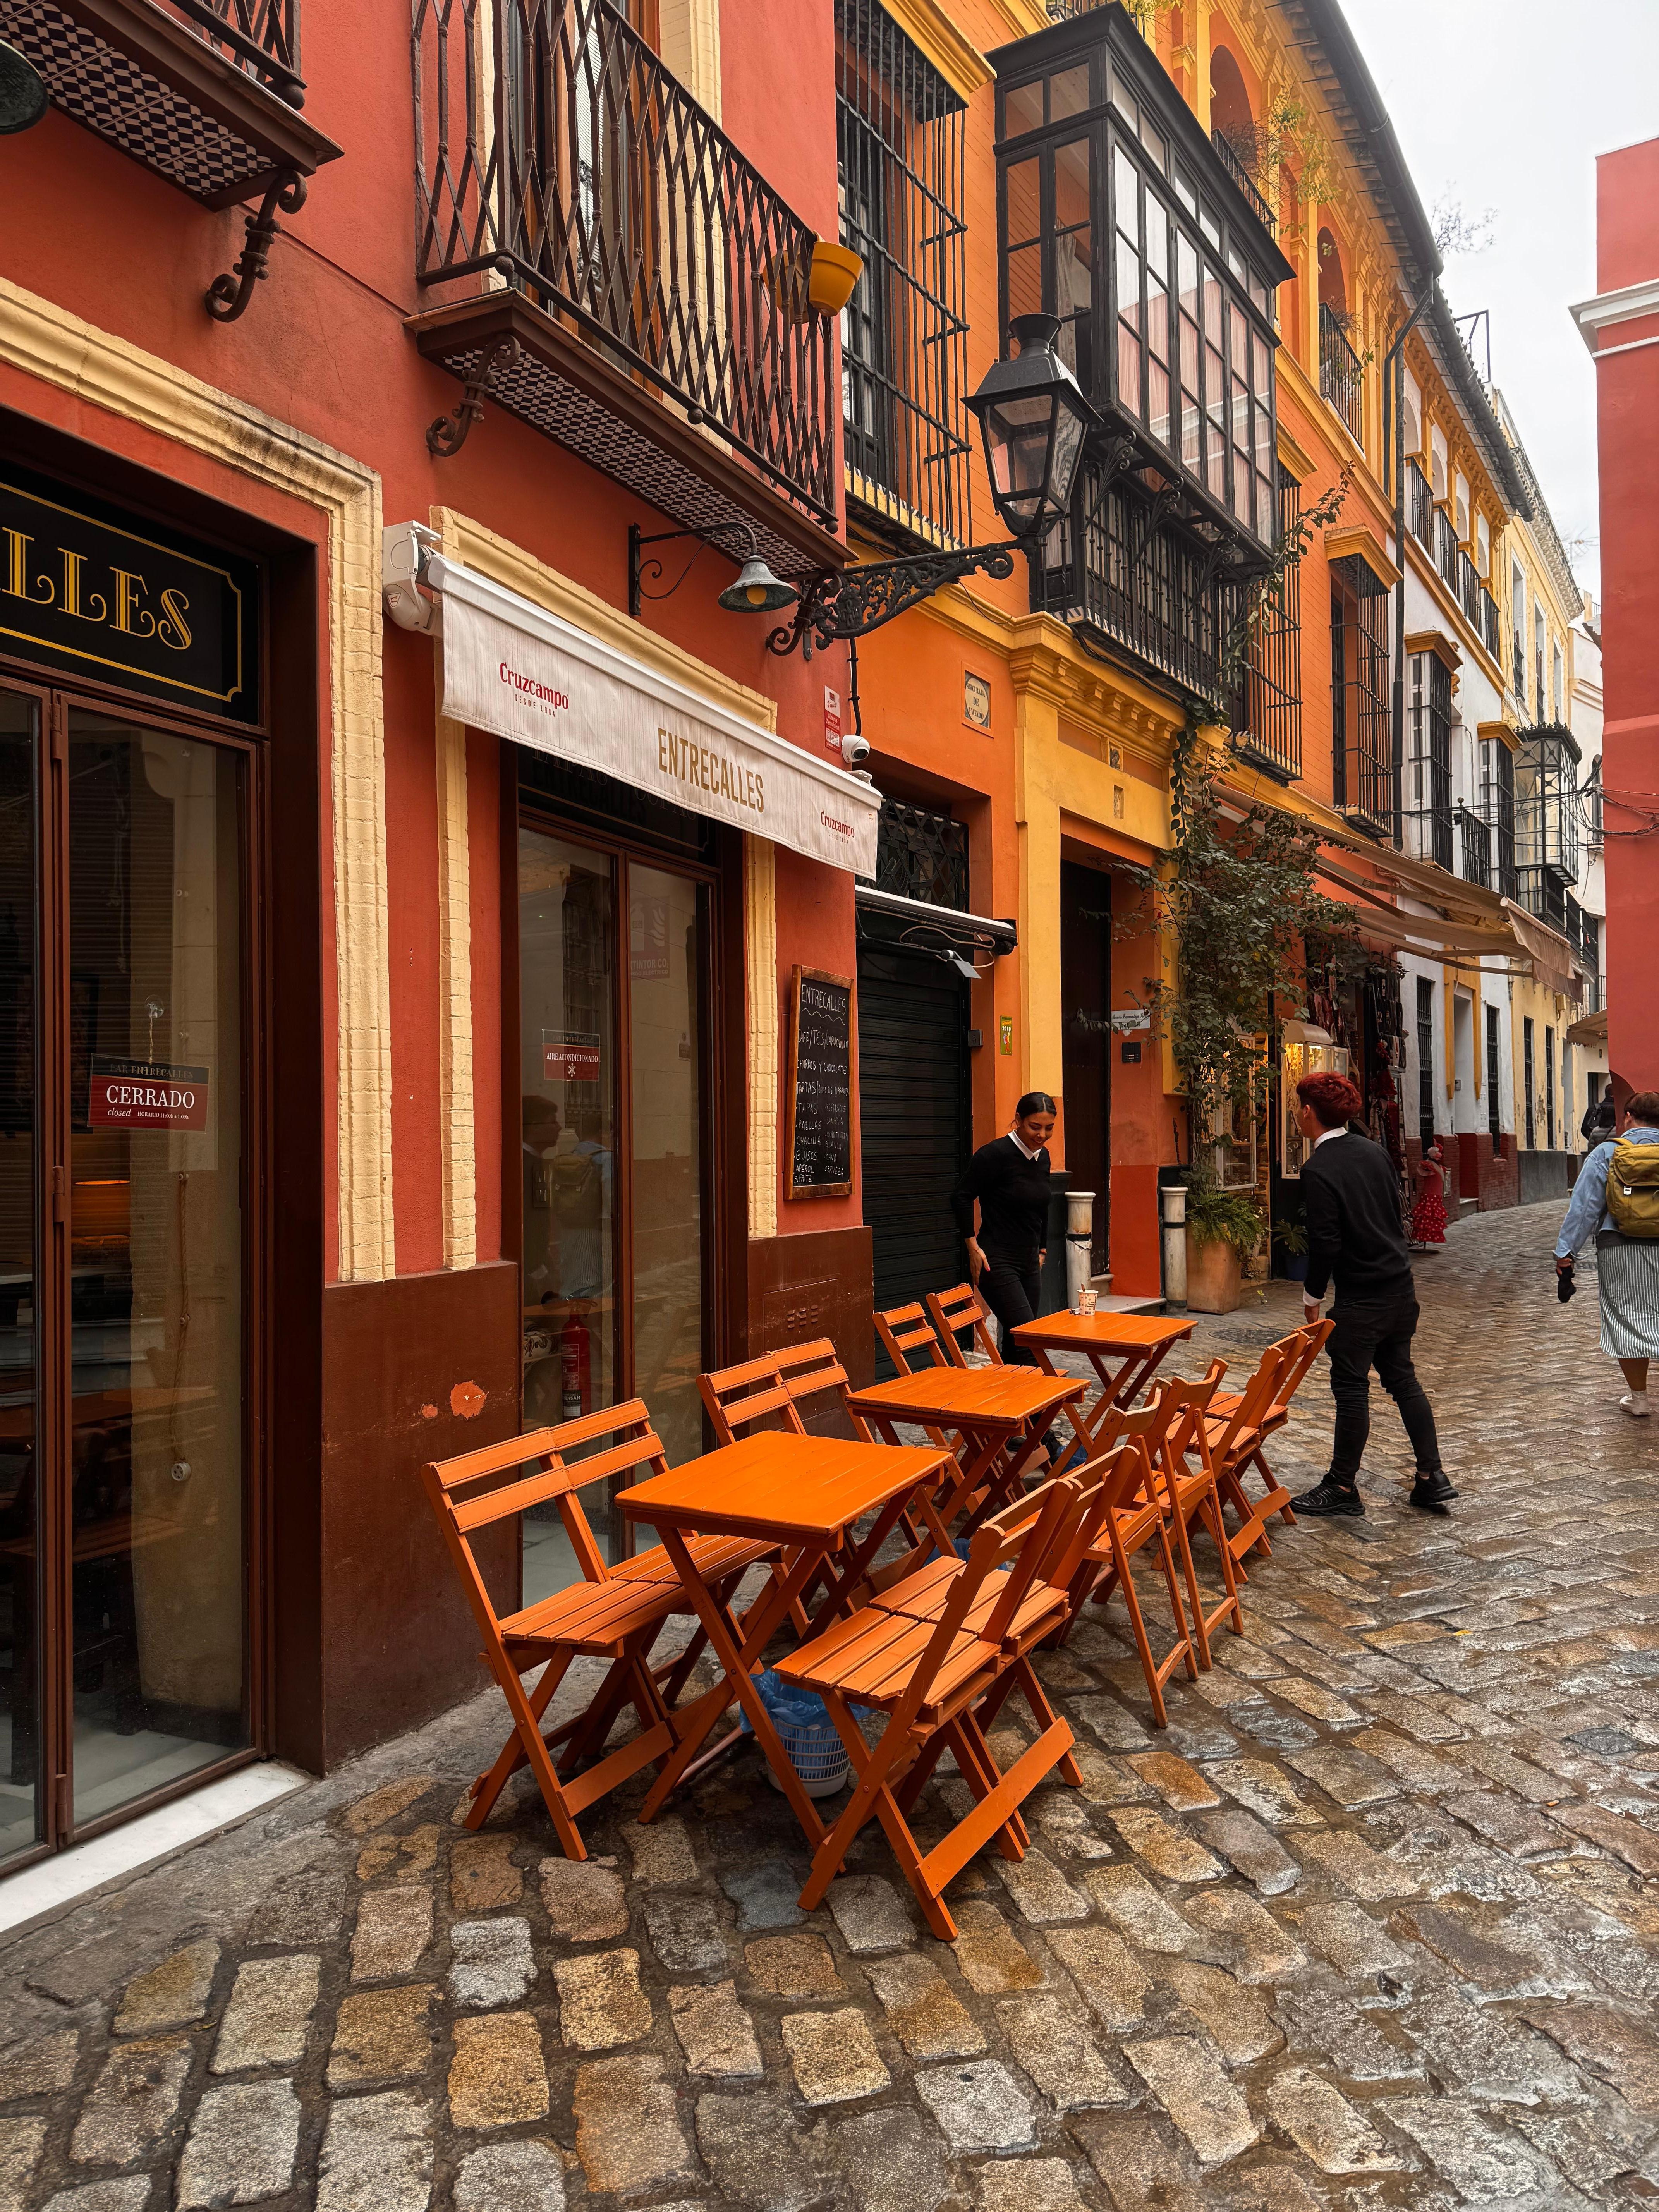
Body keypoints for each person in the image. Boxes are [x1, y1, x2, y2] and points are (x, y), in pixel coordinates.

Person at [1291, 1070, 1458, 1517]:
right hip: (1400, 1287)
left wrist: (1312, 1297)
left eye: (1299, 1106)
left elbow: (1325, 1242)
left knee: (1350, 1390)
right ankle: (1431, 1477)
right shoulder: (1376, 1153)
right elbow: (1392, 1214)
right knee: (1403, 1379)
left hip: (1361, 1297)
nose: (1297, 1113)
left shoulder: (1318, 1168)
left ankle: (1343, 1487)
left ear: (1309, 1112)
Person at [952, 1092, 1075, 1465]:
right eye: (1035, 1127)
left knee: (1014, 1348)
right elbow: (960, 1196)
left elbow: (1042, 1207)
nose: (1042, 1135)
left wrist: (1041, 1249)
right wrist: (972, 1246)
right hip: (997, 1261)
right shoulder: (994, 1155)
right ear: (1018, 1120)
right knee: (1027, 1343)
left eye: (1049, 1128)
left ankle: (1011, 1432)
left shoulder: (1043, 1158)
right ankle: (1050, 1440)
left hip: (1027, 1263)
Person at [1554, 1089, 1659, 1418]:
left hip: (1620, 1245)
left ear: (1628, 1117)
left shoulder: (1608, 1153)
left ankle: (1639, 1398)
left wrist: (1565, 1253)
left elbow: (1584, 1208)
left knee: (1628, 1316)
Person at [1410, 1139, 1447, 1251]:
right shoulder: (1428, 1165)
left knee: (1433, 1217)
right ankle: (1423, 1237)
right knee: (1427, 1216)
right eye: (1437, 1153)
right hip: (1430, 1194)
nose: (1439, 1155)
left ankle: (1428, 1238)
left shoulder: (1441, 1168)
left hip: (1437, 1195)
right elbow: (1422, 1170)